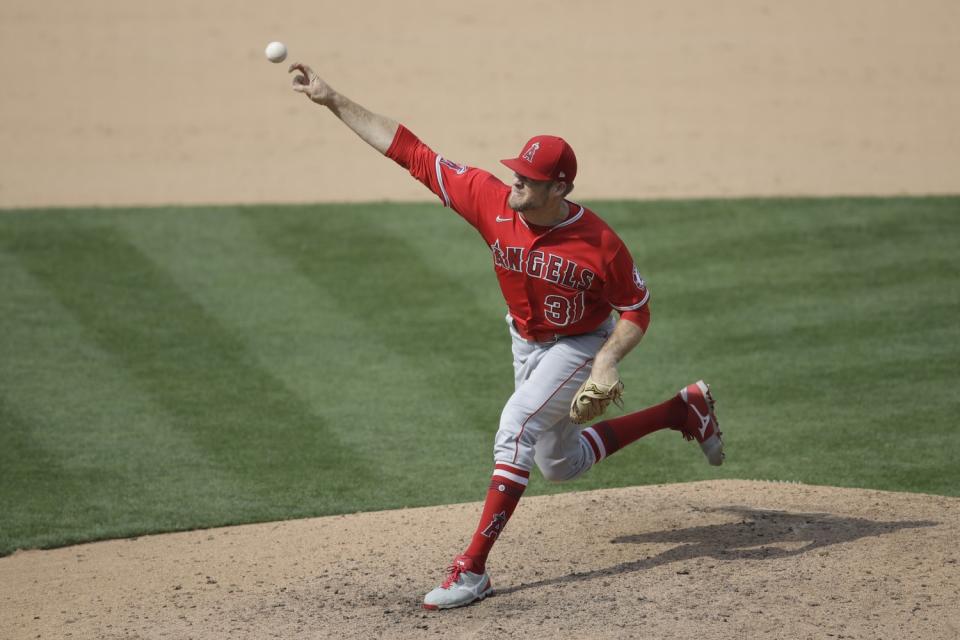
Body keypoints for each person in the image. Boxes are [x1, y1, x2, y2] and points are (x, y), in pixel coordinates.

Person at [288, 63, 724, 610]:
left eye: (527, 178)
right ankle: (683, 410)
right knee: (559, 465)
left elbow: (637, 309)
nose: (514, 182)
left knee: (514, 426)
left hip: (579, 344)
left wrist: (607, 361)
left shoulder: (600, 244)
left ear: (559, 187)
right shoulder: (492, 200)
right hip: (524, 342)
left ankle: (471, 571)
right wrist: (332, 99)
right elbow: (410, 152)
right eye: (515, 173)